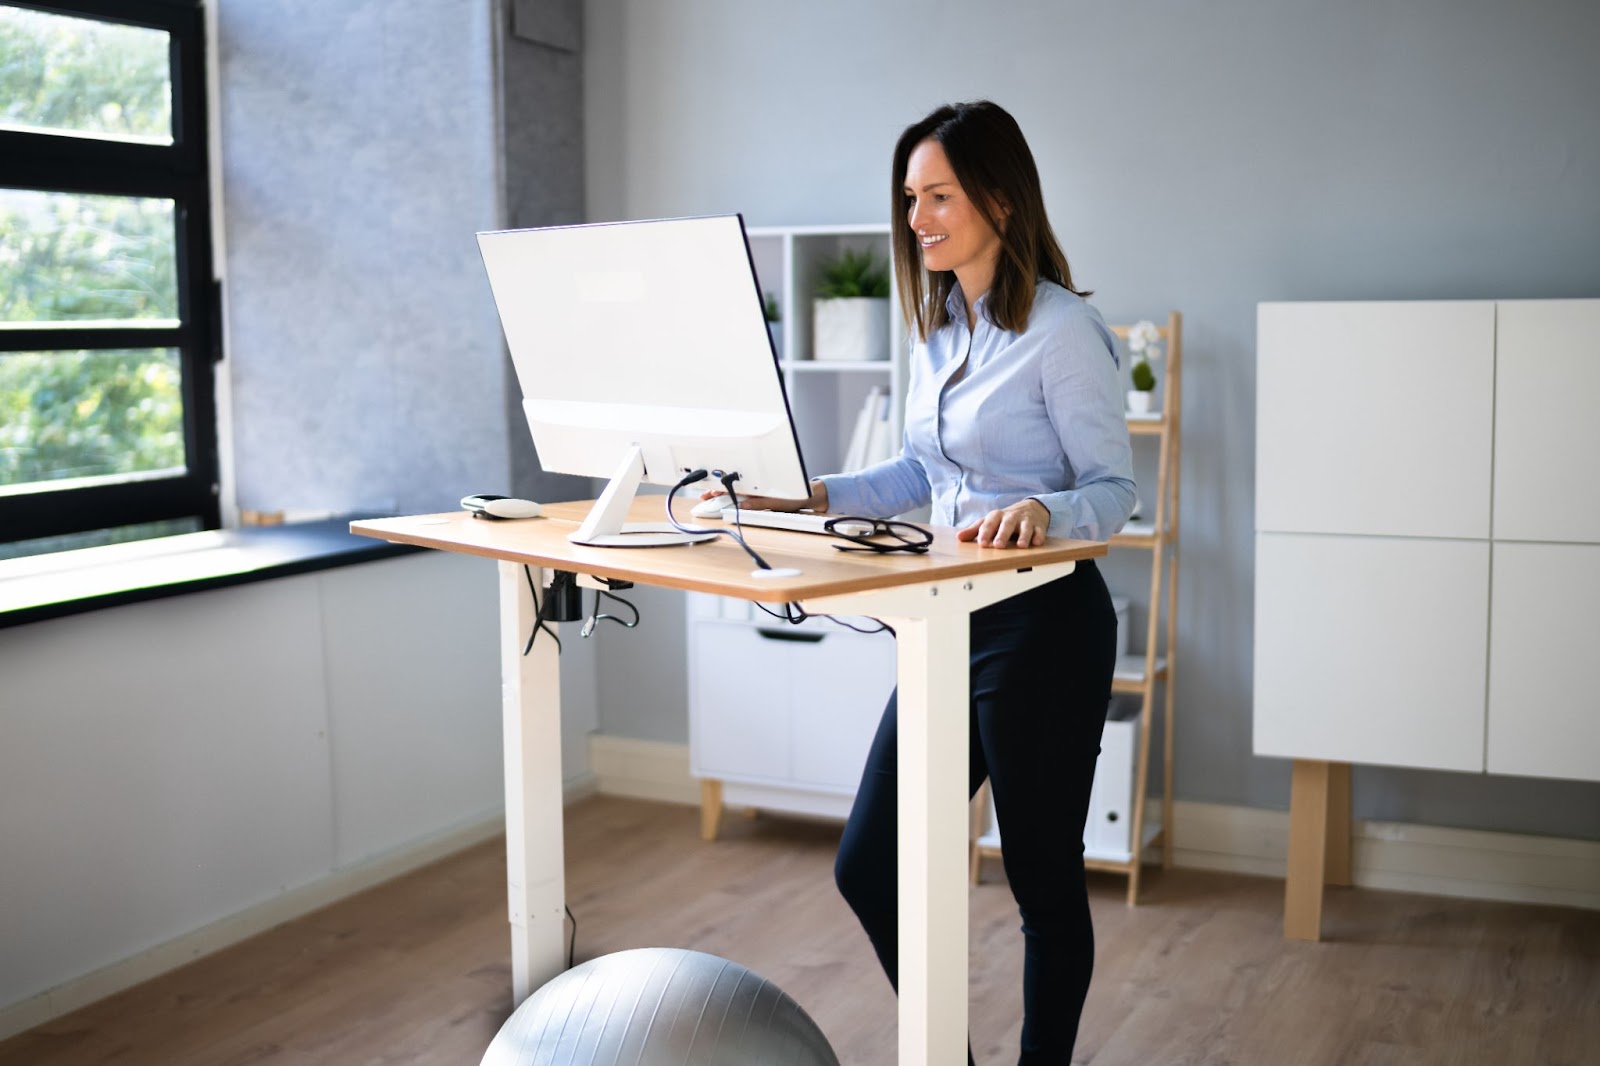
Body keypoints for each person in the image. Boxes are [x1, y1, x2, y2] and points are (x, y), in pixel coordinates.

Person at [712, 100, 1135, 1064]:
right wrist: (813, 494)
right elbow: (918, 476)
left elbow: (1115, 491)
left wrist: (1044, 514)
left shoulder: (1065, 330)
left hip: (1045, 626)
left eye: (937, 195)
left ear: (997, 197)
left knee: (1040, 883)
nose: (917, 218)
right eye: (910, 198)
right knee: (870, 865)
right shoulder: (937, 330)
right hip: (951, 625)